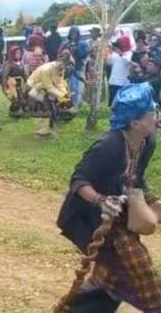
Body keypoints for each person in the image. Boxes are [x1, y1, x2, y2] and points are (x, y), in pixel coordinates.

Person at [56, 82, 161, 312]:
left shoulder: (147, 142)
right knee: (140, 273)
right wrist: (100, 200)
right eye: (152, 113)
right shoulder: (109, 146)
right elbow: (78, 180)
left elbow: (136, 178)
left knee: (111, 280)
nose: (157, 116)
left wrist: (152, 202)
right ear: (135, 123)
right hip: (89, 219)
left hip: (118, 219)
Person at [26, 52, 72, 136]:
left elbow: (59, 83)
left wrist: (65, 95)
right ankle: (40, 131)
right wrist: (62, 96)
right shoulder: (45, 70)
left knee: (54, 106)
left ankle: (50, 128)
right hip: (35, 89)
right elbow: (49, 87)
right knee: (43, 107)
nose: (62, 70)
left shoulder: (61, 68)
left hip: (47, 88)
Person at [62, 26, 90, 109]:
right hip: (68, 69)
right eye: (72, 33)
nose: (73, 35)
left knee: (78, 88)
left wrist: (76, 49)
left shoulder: (83, 43)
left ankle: (77, 105)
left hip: (79, 67)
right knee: (69, 88)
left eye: (75, 33)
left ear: (78, 34)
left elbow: (85, 55)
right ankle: (70, 105)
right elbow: (61, 54)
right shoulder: (66, 43)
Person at [108, 36, 133, 107]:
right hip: (113, 80)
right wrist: (111, 52)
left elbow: (127, 61)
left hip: (123, 82)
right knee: (113, 102)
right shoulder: (115, 54)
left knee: (122, 102)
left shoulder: (129, 53)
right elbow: (109, 62)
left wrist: (120, 53)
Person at [3, 46, 29, 117]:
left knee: (22, 97)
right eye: (17, 53)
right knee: (15, 98)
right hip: (12, 83)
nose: (19, 54)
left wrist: (28, 81)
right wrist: (5, 86)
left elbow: (24, 74)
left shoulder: (20, 63)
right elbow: (5, 76)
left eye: (20, 53)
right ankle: (14, 112)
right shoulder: (9, 64)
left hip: (20, 83)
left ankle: (21, 111)